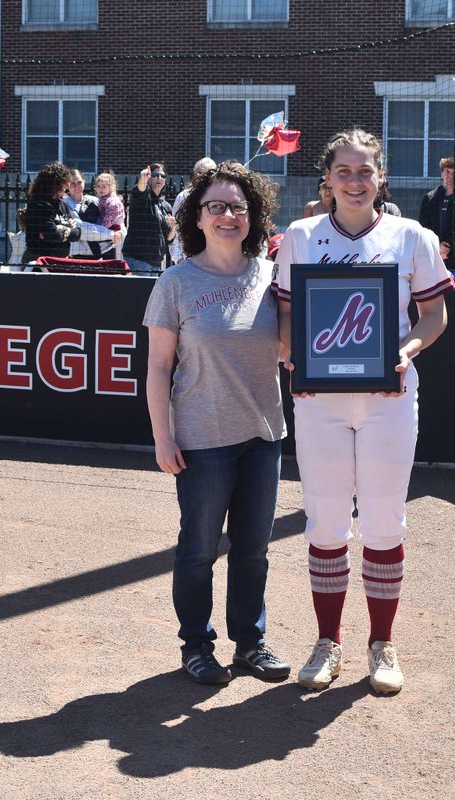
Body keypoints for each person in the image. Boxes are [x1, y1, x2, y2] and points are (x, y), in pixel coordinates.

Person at [274, 128, 454, 695]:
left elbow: (433, 318)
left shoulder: (412, 237)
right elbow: (285, 317)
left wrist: (403, 352)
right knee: (325, 520)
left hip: (389, 397)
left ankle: (381, 642)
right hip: (319, 398)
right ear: (326, 180)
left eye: (365, 171)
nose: (355, 181)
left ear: (382, 178)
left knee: (382, 519)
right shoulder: (300, 236)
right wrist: (290, 356)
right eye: (344, 172)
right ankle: (328, 641)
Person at [142, 160, 289, 686]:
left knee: (253, 550)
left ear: (254, 216)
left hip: (263, 436)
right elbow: (158, 368)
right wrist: (163, 436)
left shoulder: (274, 277)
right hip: (202, 440)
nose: (228, 215)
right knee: (199, 547)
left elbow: (293, 350)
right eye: (216, 207)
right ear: (197, 218)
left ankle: (250, 643)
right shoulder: (176, 282)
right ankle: (197, 646)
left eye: (238, 207)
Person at [418, 156, 455, 269]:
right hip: (433, 255)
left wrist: (450, 247)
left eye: (454, 173)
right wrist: (437, 246)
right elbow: (423, 228)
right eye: (447, 171)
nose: (450, 176)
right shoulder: (430, 199)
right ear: (441, 174)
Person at [21, 161, 81, 264]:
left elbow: (77, 233)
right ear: (54, 184)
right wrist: (67, 231)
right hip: (39, 260)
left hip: (61, 260)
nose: (67, 186)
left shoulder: (62, 204)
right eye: (64, 183)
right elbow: (51, 235)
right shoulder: (39, 204)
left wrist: (63, 229)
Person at [122, 163, 176, 272]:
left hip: (156, 262)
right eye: (155, 175)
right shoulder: (143, 197)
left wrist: (174, 227)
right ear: (149, 177)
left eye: (162, 176)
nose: (159, 178)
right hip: (137, 259)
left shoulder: (166, 206)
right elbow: (140, 190)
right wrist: (143, 178)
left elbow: (168, 239)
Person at [169, 157, 217, 264]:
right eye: (200, 172)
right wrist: (177, 258)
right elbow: (175, 228)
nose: (204, 176)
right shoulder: (183, 197)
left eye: (210, 173)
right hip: (188, 259)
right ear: (195, 174)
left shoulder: (219, 198)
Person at [63, 169, 115, 260]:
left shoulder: (95, 201)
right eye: (72, 183)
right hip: (74, 256)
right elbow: (80, 229)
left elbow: (115, 220)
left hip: (99, 255)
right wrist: (111, 234)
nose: (76, 186)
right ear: (67, 185)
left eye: (79, 182)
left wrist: (119, 234)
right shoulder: (64, 204)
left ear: (84, 182)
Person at [93, 171, 126, 258]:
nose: (101, 189)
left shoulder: (113, 201)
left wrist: (100, 229)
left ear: (111, 187)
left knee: (115, 257)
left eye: (104, 187)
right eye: (99, 186)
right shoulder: (103, 199)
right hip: (108, 232)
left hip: (113, 230)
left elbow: (110, 219)